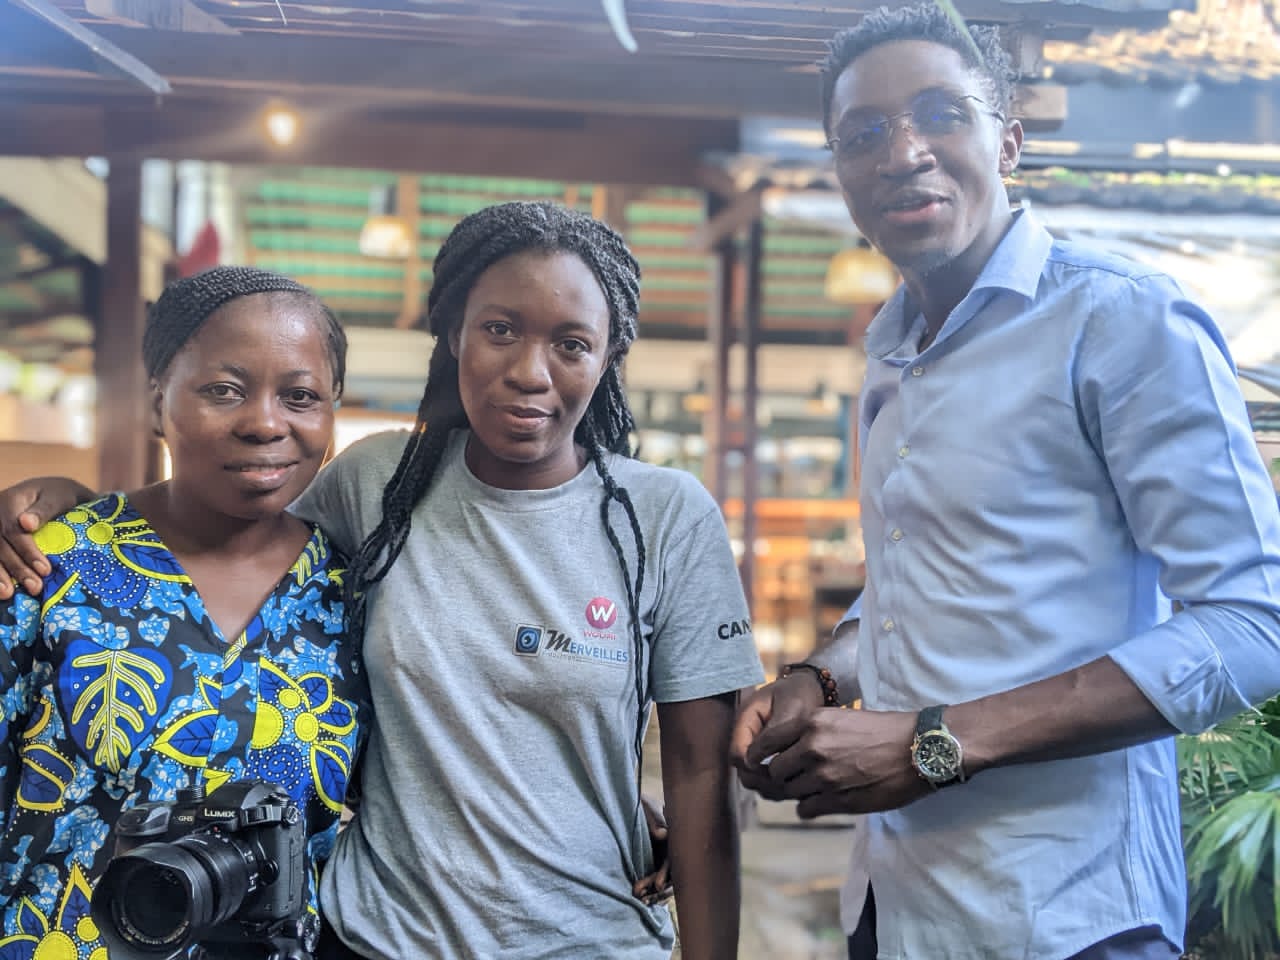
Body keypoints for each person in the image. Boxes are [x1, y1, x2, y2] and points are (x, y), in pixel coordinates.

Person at [0, 202, 763, 960]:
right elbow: (223, 518)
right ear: (454, 333)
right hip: (370, 939)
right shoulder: (379, 484)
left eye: (571, 343)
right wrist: (77, 509)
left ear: (609, 353)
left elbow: (701, 775)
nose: (530, 372)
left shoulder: (662, 519)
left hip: (587, 940)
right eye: (499, 330)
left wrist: (598, 802)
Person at [728, 6, 1280, 960]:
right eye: (864, 133)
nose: (903, 151)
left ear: (1009, 141)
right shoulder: (891, 353)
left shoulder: (1120, 320)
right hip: (893, 905)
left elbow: (1255, 621)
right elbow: (916, 585)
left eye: (942, 114)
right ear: (841, 172)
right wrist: (821, 677)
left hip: (1066, 918)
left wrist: (932, 743)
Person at [0, 266, 370, 958]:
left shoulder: (354, 597)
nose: (265, 423)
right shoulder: (47, 567)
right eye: (224, 390)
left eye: (300, 396)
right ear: (156, 403)